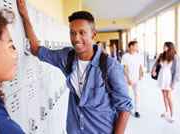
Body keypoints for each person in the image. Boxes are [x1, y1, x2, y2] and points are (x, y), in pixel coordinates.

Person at [17, 0, 133, 134]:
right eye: (72, 33)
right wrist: (25, 15)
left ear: (93, 34)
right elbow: (36, 49)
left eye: (82, 32)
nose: (76, 38)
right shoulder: (67, 58)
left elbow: (124, 108)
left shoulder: (109, 66)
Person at [152, 42, 179, 123]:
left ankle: (172, 114)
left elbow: (177, 71)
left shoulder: (175, 56)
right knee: (164, 95)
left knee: (169, 96)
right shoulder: (161, 55)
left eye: (165, 46)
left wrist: (173, 83)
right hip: (162, 76)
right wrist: (153, 70)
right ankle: (166, 111)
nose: (163, 47)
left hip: (169, 77)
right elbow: (156, 63)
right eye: (163, 46)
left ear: (169, 47)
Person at [121, 41, 144, 118]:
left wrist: (141, 74)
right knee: (127, 95)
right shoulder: (125, 56)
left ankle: (137, 110)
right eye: (136, 46)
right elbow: (125, 68)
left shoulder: (139, 56)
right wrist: (128, 79)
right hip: (127, 79)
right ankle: (127, 109)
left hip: (136, 78)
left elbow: (141, 66)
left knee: (137, 94)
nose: (137, 47)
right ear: (131, 46)